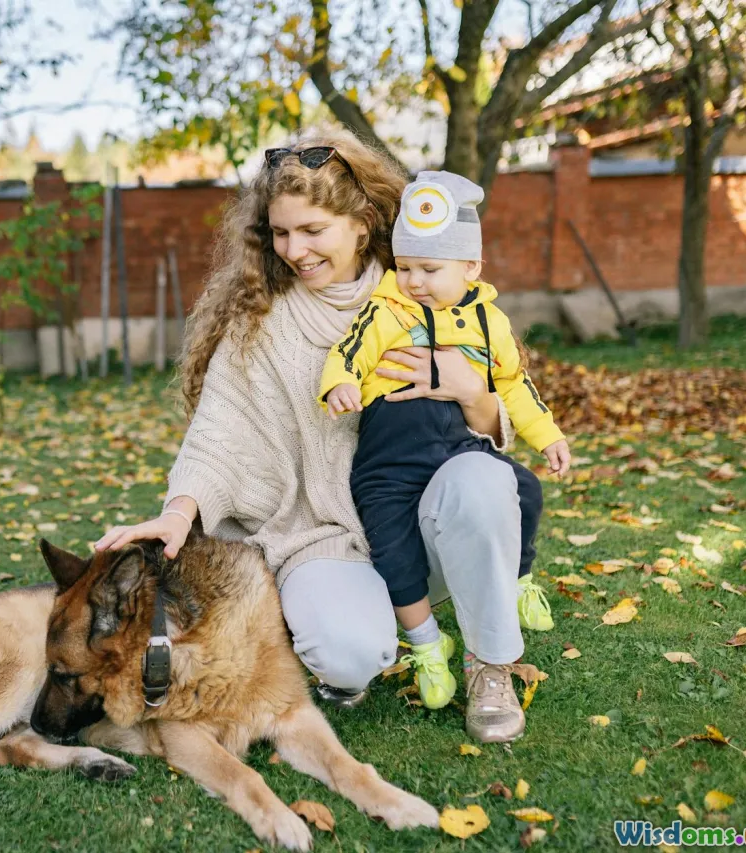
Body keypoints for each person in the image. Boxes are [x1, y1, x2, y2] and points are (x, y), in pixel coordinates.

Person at [94, 124, 532, 743]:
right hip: (322, 535)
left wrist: (470, 389)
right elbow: (218, 435)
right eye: (280, 232)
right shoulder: (260, 324)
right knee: (351, 653)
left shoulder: (427, 288)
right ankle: (353, 622)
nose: (294, 249)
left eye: (312, 230)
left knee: (485, 479)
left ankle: (491, 666)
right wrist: (178, 512)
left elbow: (497, 423)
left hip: (419, 518)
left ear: (362, 222)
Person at [319, 170, 569, 716]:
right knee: (394, 546)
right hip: (391, 459)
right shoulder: (388, 311)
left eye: (430, 269)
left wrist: (546, 434)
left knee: (522, 488)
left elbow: (514, 385)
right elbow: (350, 351)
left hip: (459, 449)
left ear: (471, 267)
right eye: (405, 267)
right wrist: (339, 382)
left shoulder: (489, 323)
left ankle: (519, 578)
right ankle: (429, 646)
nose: (415, 281)